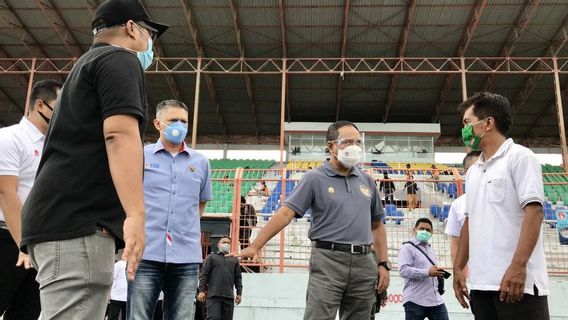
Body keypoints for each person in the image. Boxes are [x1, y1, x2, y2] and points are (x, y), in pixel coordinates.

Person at [19, 2, 169, 318]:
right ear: (132, 27)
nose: (150, 43)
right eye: (150, 33)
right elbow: (118, 134)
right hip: (78, 222)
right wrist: (136, 214)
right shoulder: (120, 59)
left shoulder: (86, 65)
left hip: (61, 218)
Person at [235, 121, 390, 320]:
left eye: (358, 142)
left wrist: (383, 263)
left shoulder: (367, 180)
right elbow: (284, 214)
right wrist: (255, 246)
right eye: (347, 141)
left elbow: (377, 224)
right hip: (328, 260)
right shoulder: (314, 178)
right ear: (331, 146)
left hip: (364, 262)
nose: (354, 147)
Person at [454, 92, 550, 320]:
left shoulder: (521, 158)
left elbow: (534, 213)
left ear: (488, 123)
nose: (464, 129)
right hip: (481, 285)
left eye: (467, 122)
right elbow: (470, 220)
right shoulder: (474, 171)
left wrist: (518, 266)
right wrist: (459, 267)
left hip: (518, 285)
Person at [127, 99, 212, 320]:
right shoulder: (140, 155)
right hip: (146, 254)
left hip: (186, 258)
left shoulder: (201, 162)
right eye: (173, 120)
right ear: (157, 123)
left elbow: (200, 202)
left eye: (183, 121)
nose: (179, 125)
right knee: (138, 316)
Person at [0, 80, 62, 320]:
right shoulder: (10, 138)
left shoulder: (55, 148)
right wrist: (23, 246)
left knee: (27, 313)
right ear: (40, 105)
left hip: (41, 244)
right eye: (60, 106)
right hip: (8, 239)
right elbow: (7, 193)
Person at [398, 218, 449, 320]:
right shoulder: (407, 247)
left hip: (435, 300)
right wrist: (427, 272)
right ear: (414, 230)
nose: (425, 232)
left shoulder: (430, 248)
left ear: (432, 233)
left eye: (428, 230)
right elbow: (403, 270)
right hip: (415, 300)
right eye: (422, 229)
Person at [444, 151, 480, 265]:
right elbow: (456, 243)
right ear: (466, 171)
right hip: (473, 275)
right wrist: (458, 271)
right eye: (478, 167)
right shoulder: (458, 204)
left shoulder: (503, 198)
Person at [198, 237, 243, 320]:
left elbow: (238, 278)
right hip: (214, 296)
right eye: (224, 242)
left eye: (228, 243)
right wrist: (201, 291)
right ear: (218, 245)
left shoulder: (234, 260)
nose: (226, 244)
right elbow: (204, 275)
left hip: (228, 297)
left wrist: (239, 293)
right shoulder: (211, 257)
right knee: (213, 318)